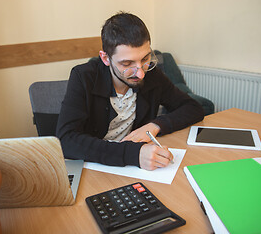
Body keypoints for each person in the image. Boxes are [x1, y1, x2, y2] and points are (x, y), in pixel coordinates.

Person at [56, 12, 204, 170]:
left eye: (145, 59)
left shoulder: (151, 74)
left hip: (133, 168)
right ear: (106, 58)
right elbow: (66, 140)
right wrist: (134, 154)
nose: (140, 73)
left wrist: (155, 126)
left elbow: (193, 108)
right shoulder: (83, 76)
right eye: (127, 64)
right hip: (96, 165)